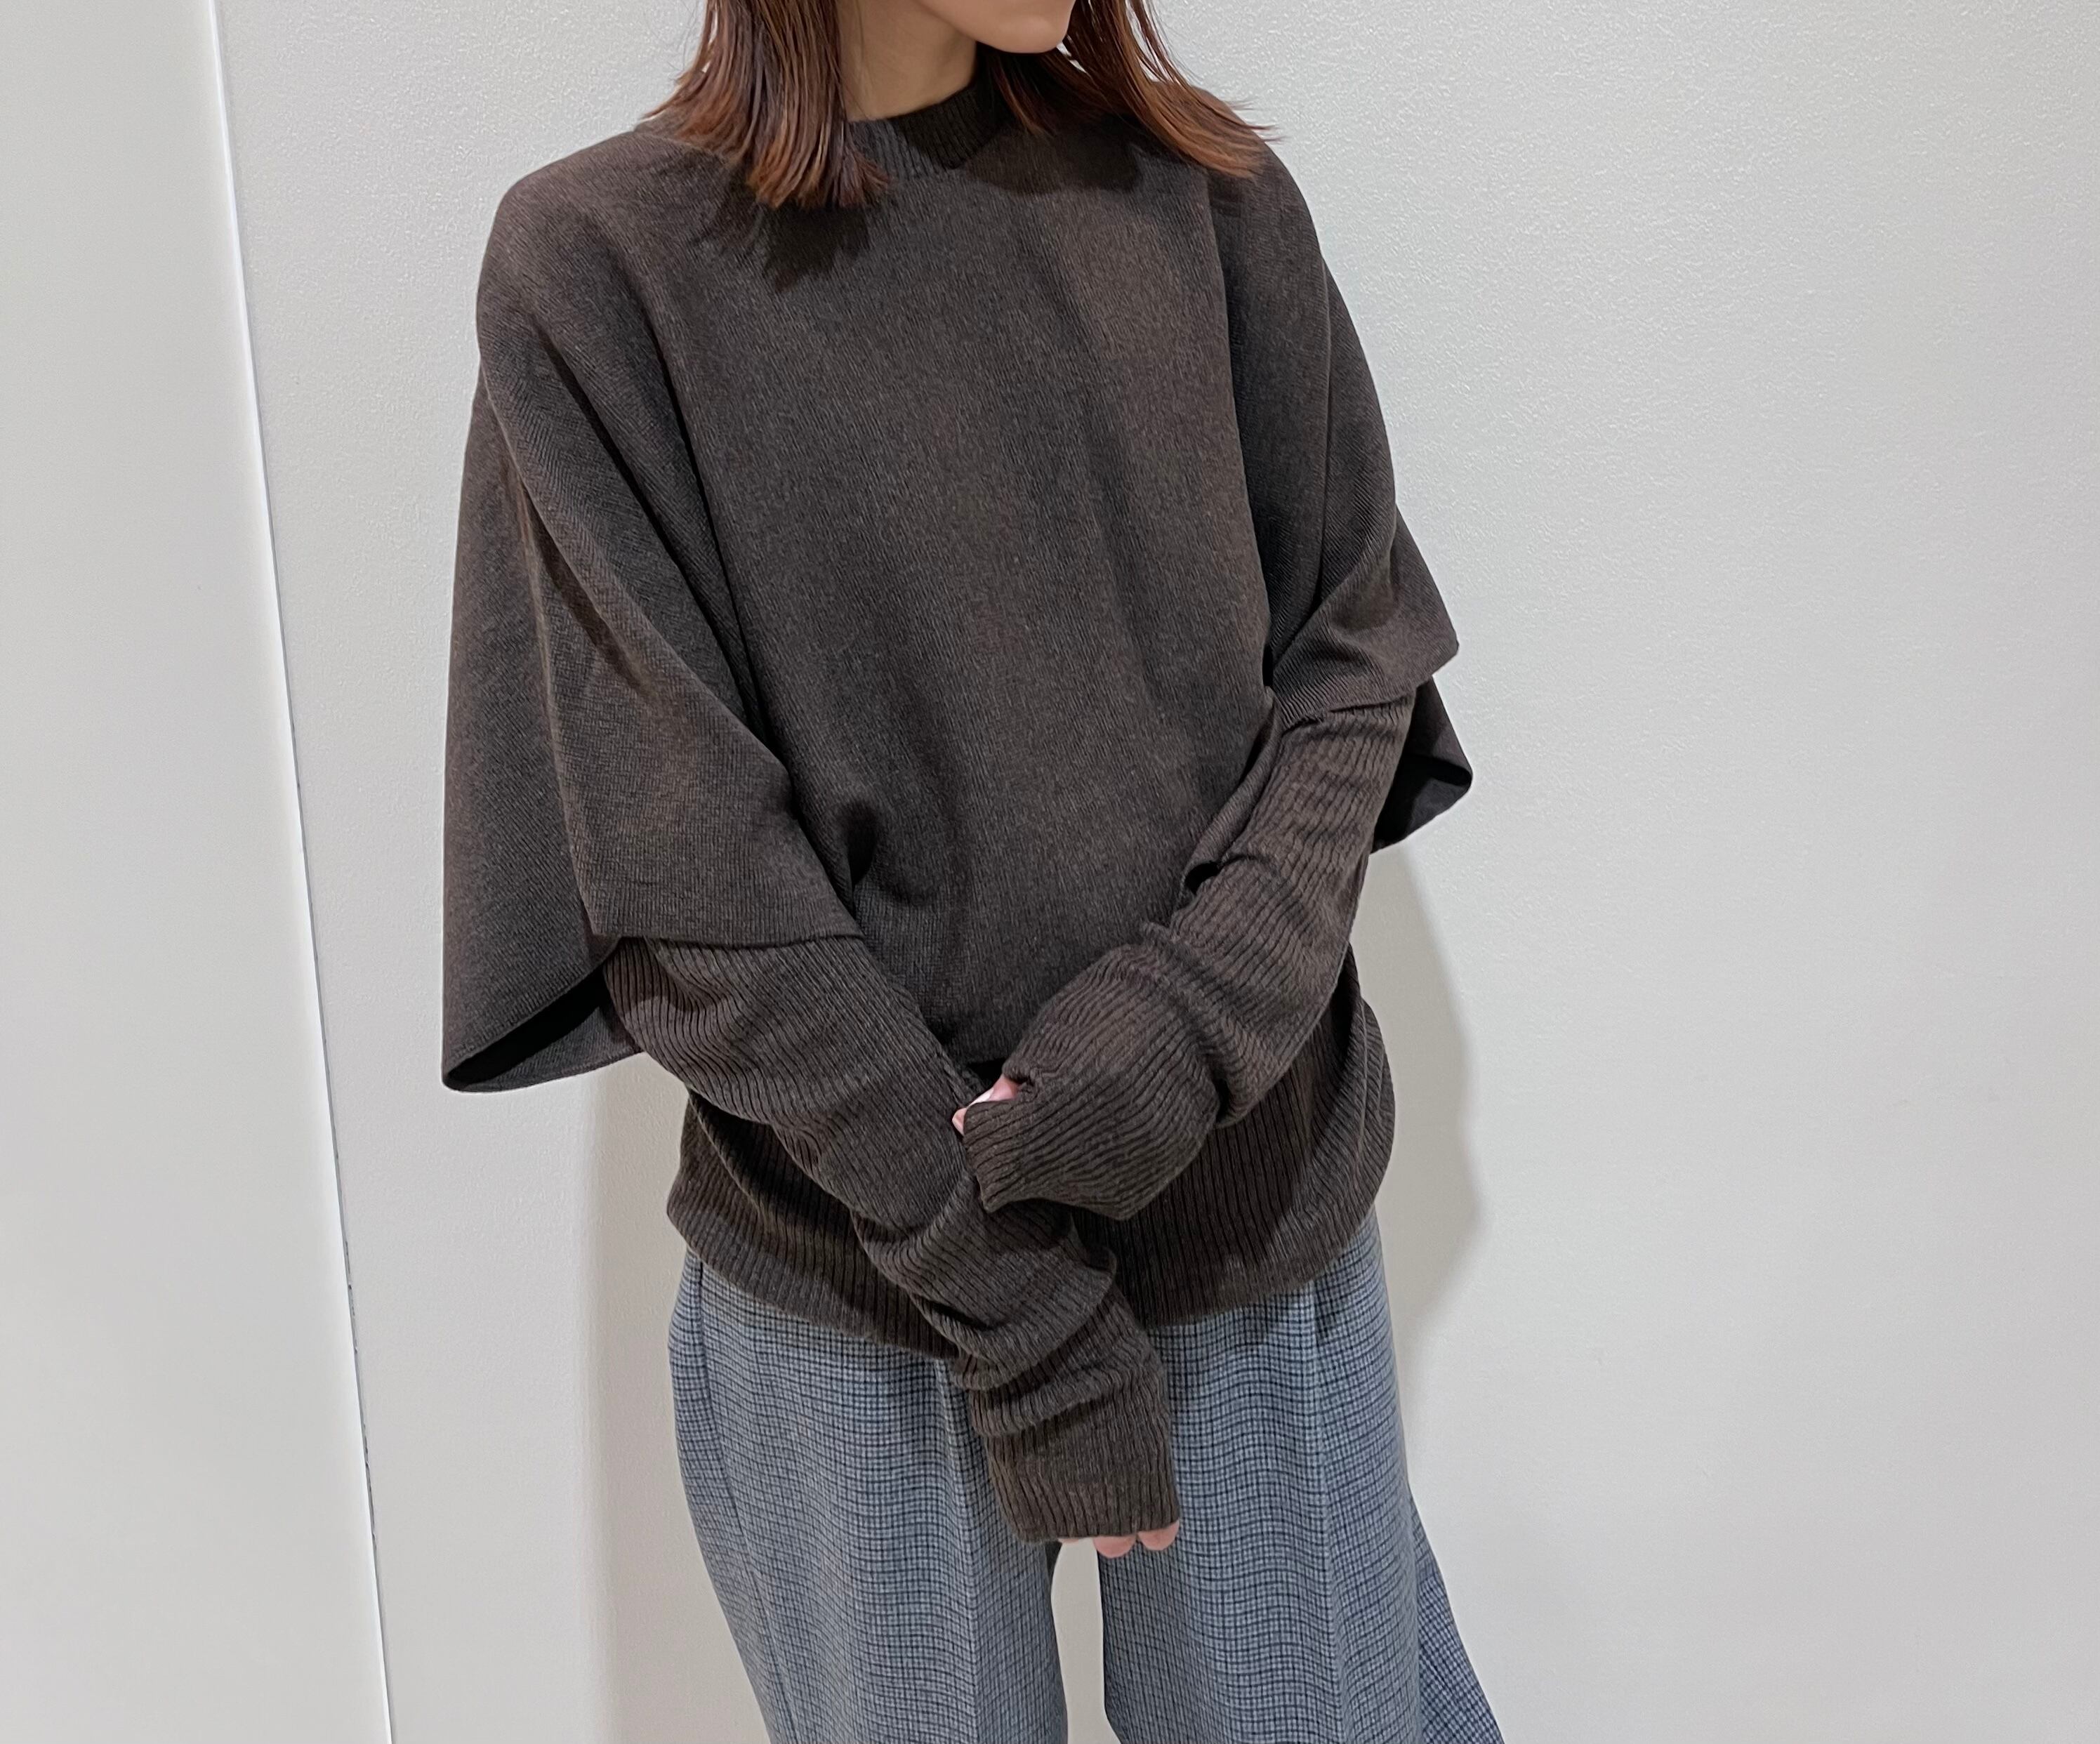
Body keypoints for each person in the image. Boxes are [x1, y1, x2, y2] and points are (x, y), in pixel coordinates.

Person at [440, 0, 1502, 1738]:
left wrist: (1178, 1032)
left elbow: (1351, 662)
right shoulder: (599, 267)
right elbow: (680, 869)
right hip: (858, 1273)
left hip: (1248, 1215)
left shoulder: (1209, 201)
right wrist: (1019, 1307)